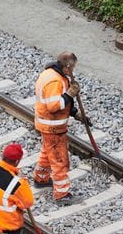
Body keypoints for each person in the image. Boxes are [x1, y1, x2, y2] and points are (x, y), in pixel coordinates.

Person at [33, 51, 87, 205]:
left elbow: (61, 103)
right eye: (72, 68)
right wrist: (70, 94)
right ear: (67, 67)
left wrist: (75, 113)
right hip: (53, 127)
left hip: (47, 126)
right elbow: (54, 106)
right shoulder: (55, 82)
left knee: (47, 152)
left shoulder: (50, 74)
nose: (73, 71)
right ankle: (62, 194)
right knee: (59, 160)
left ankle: (41, 178)